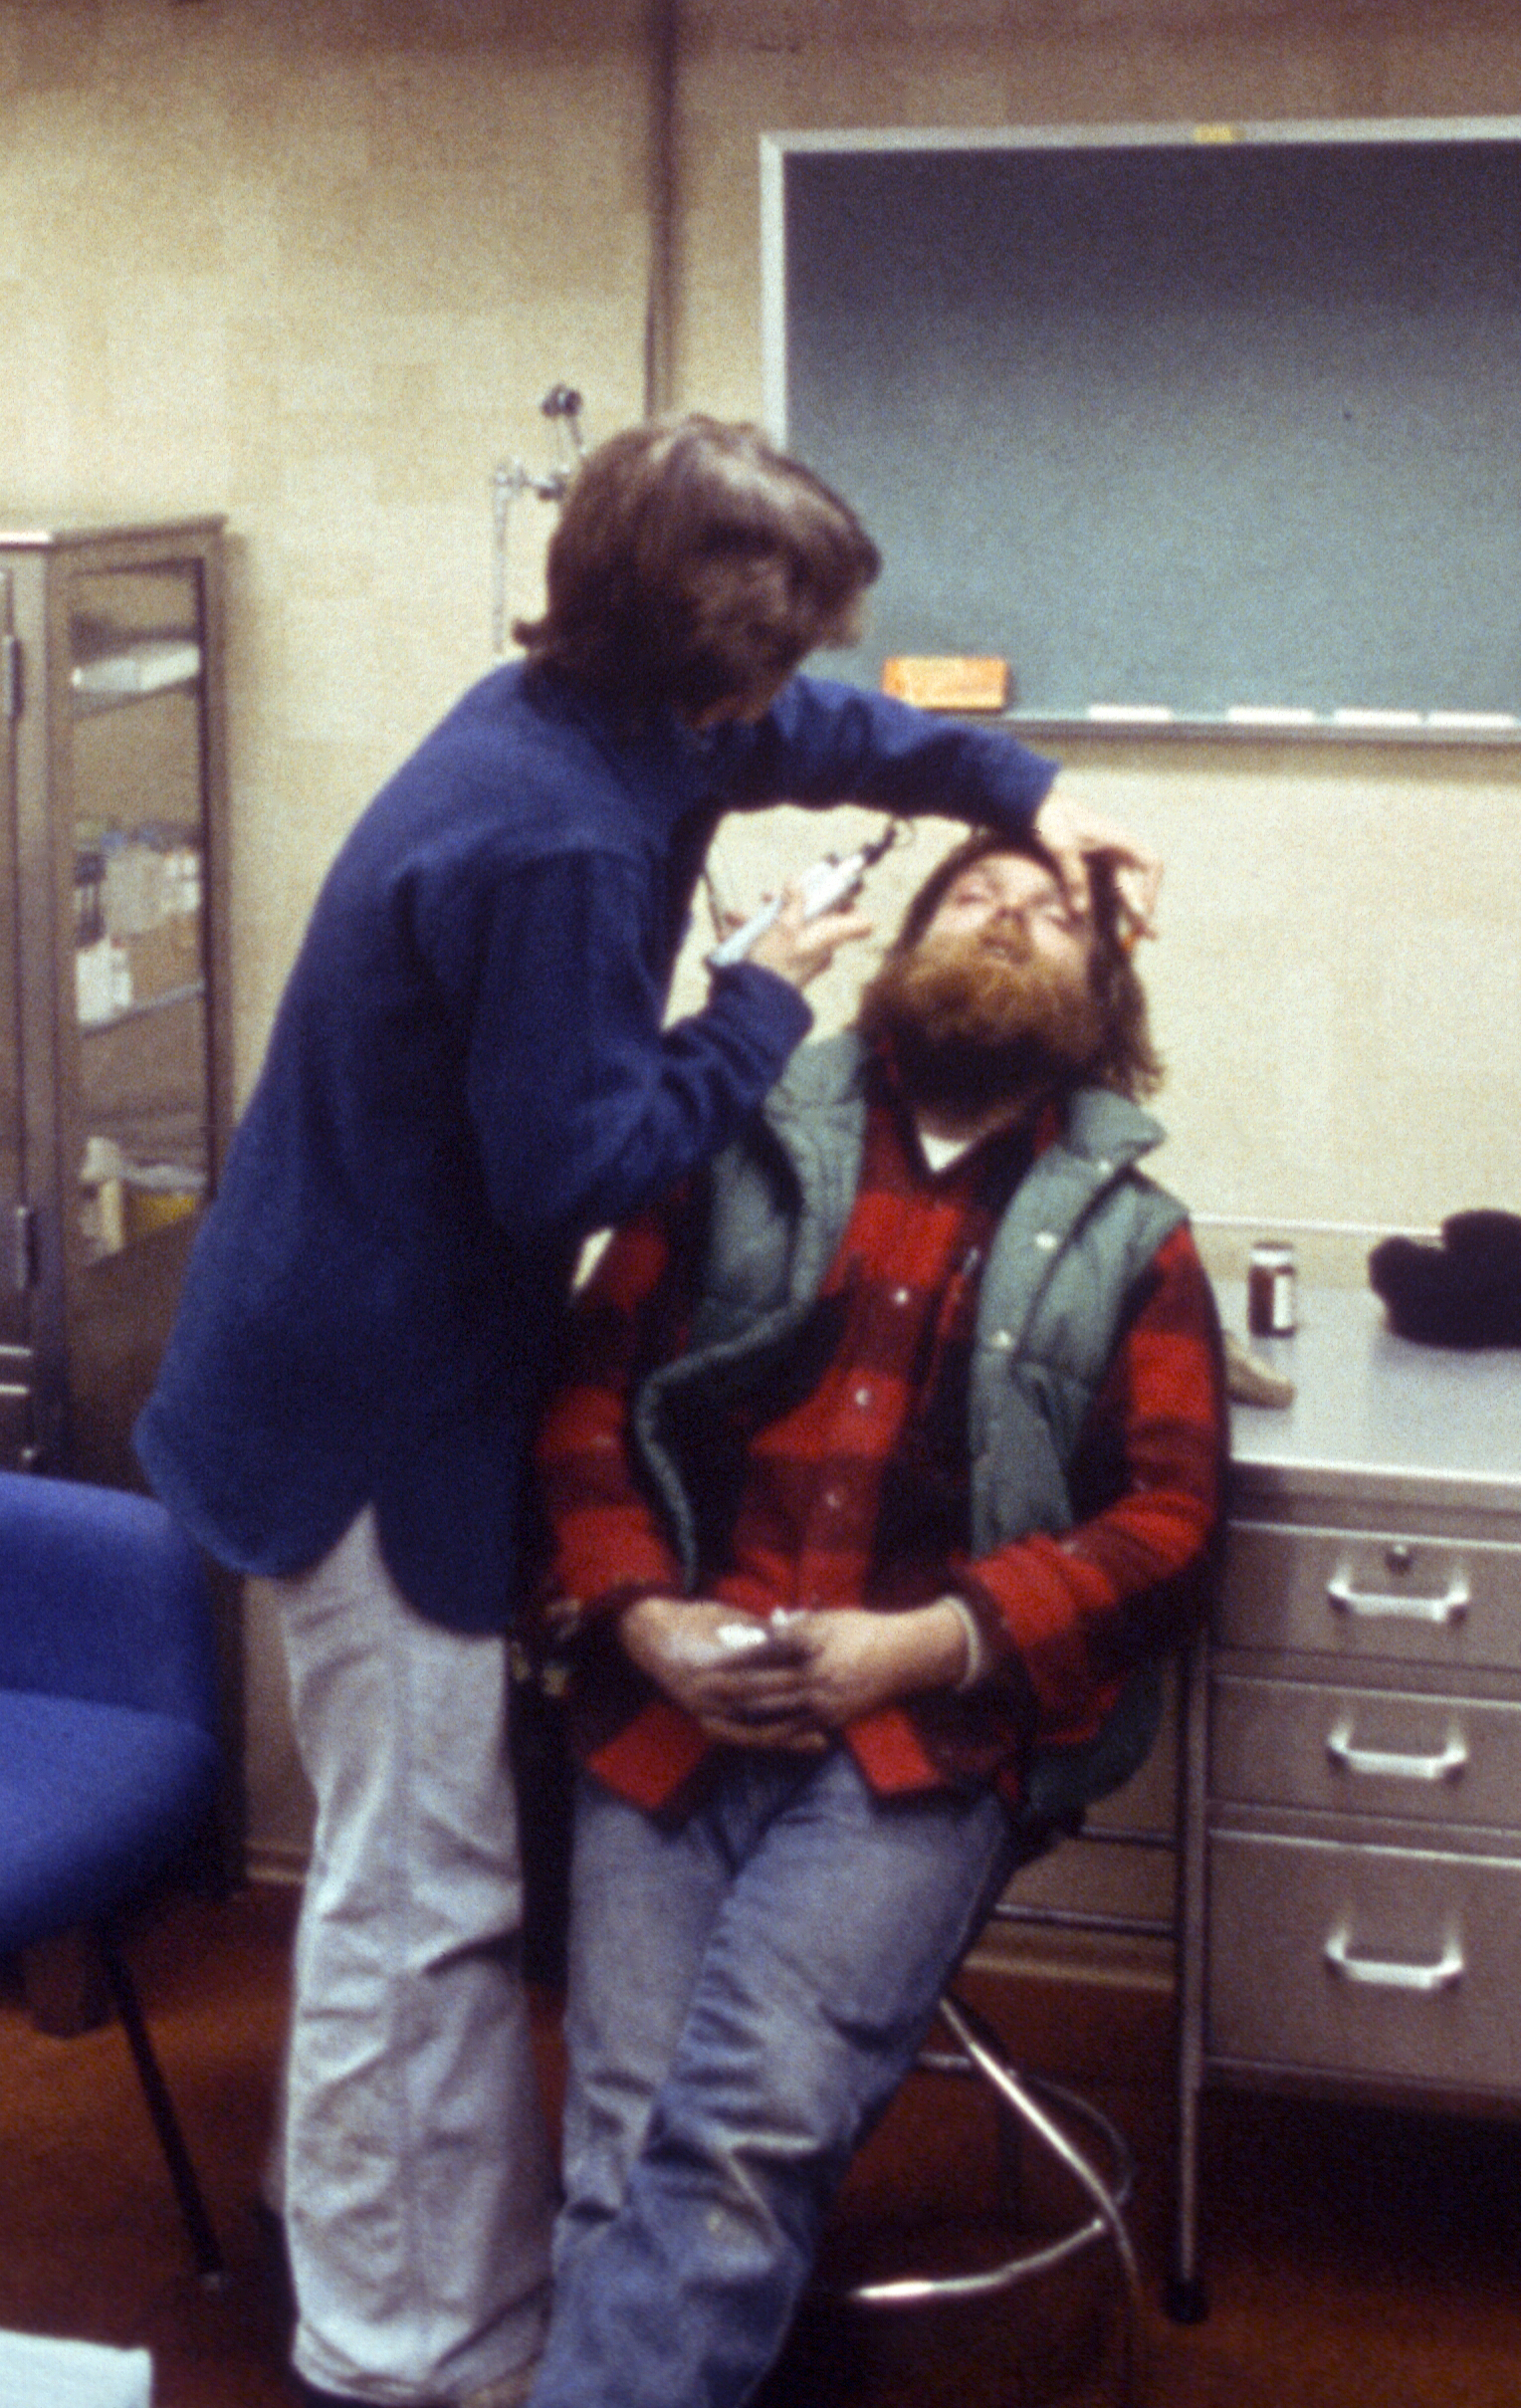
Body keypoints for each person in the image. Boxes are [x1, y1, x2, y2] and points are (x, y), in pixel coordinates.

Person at [136, 416, 1157, 2408]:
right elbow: (575, 1167)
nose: (785, 705)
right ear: (697, 647)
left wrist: (1040, 791)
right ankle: (400, 2350)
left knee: (396, 1863)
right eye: (771, 664)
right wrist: (767, 987)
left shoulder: (583, 718)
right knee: (420, 1888)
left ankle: (369, 2229)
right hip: (366, 1409)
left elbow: (839, 741)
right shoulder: (555, 835)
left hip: (344, 1346)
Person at [520, 825, 1223, 2408]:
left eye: (1049, 918)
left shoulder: (1133, 1234)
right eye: (970, 894)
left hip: (916, 1740)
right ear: (900, 944)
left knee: (740, 2129)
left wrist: (930, 1638)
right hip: (668, 1705)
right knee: (621, 2137)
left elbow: (1172, 1531)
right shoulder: (728, 1141)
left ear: (1100, 991)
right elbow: (582, 1393)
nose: (1004, 918)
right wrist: (638, 1615)